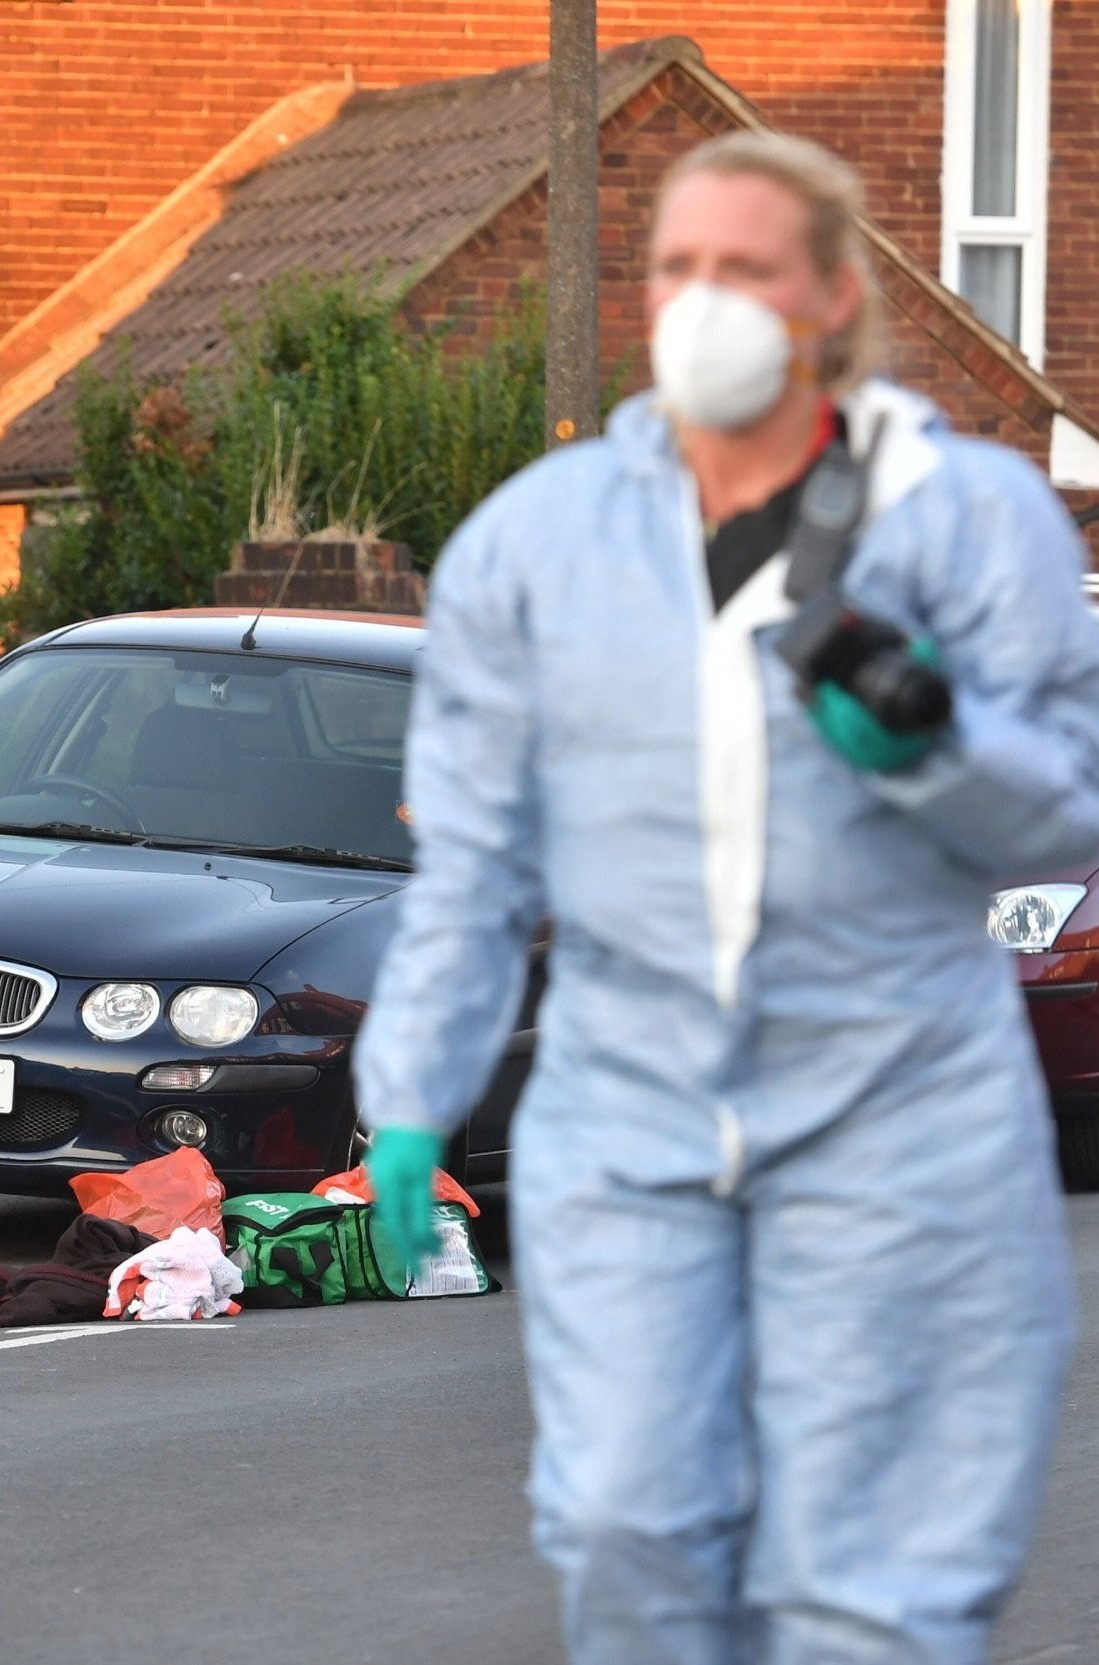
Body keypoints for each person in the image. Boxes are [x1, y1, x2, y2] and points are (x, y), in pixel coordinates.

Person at [355, 131, 1097, 1663]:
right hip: (633, 1105)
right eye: (677, 268)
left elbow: (1067, 799)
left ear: (829, 296)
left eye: (744, 269)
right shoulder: (541, 542)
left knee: (879, 1581)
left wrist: (928, 747)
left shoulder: (971, 518)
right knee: (628, 1521)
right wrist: (412, 1098)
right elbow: (476, 867)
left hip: (903, 1094)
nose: (705, 300)